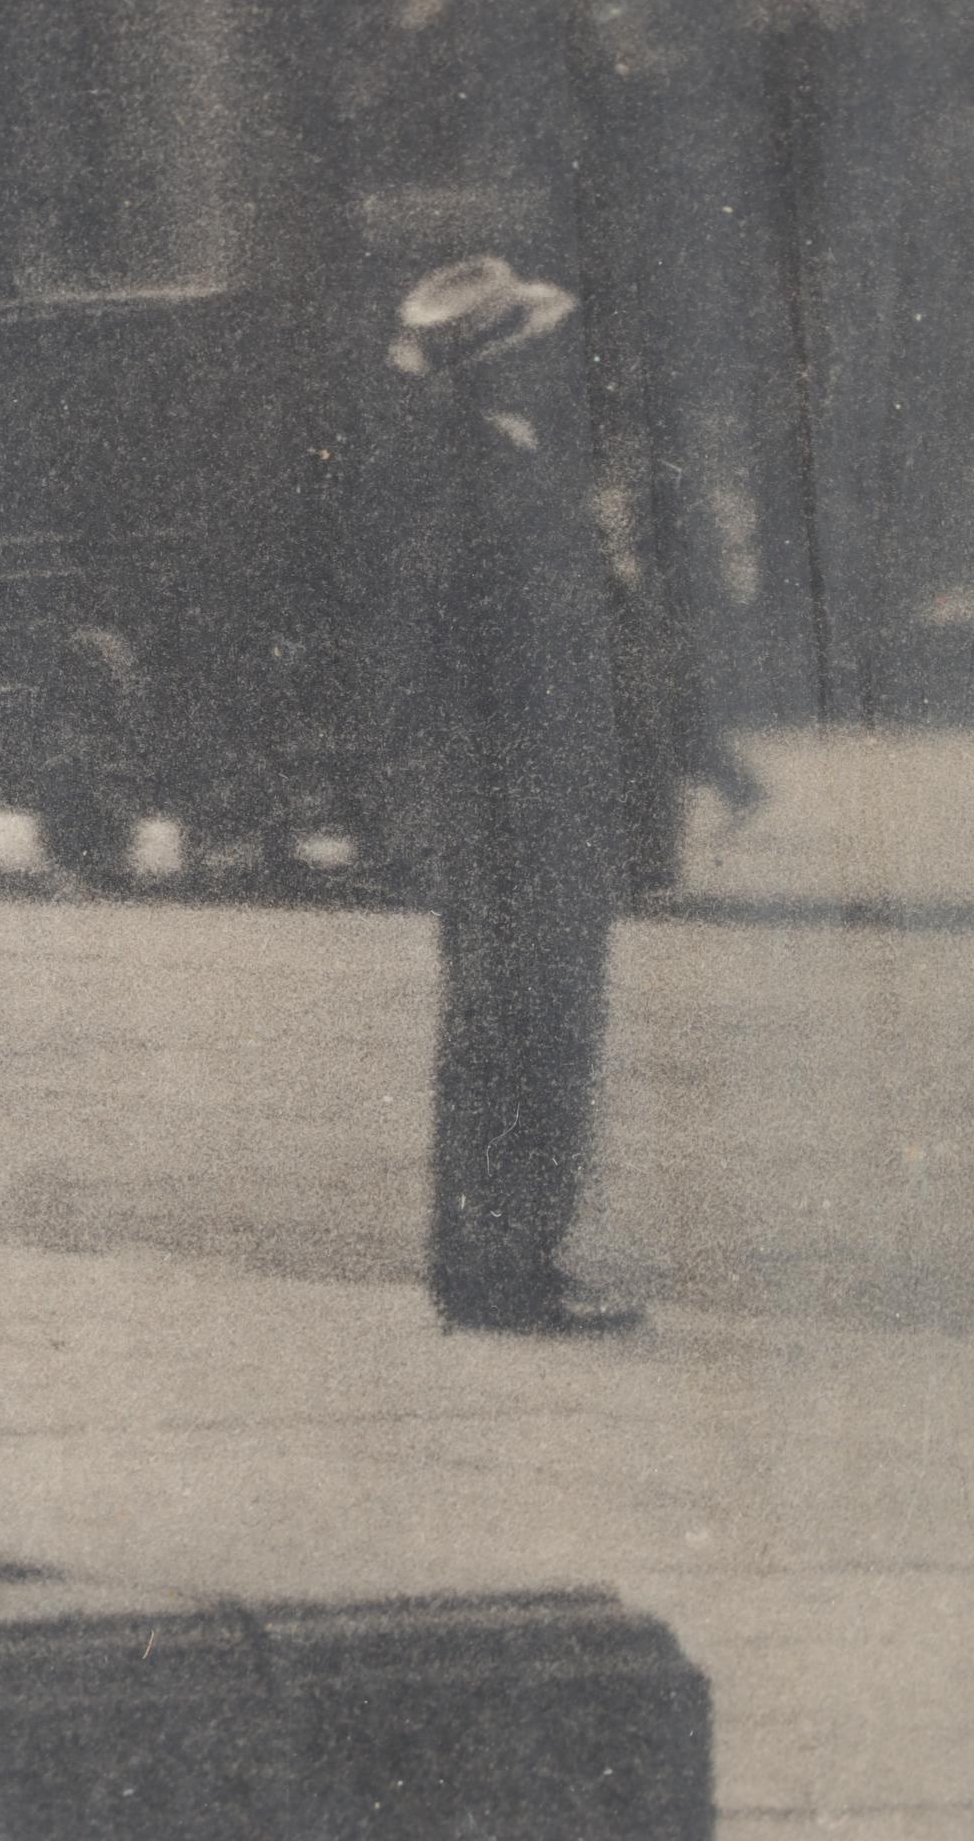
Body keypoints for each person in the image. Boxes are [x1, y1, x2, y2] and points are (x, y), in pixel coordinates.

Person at [382, 255, 643, 1337]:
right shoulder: (477, 480)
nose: (556, 370)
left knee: (523, 1024)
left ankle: (504, 1255)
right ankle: (501, 1265)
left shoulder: (511, 465)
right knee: (518, 1027)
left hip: (531, 796)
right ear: (498, 373)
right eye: (535, 355)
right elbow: (461, 665)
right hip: (512, 804)